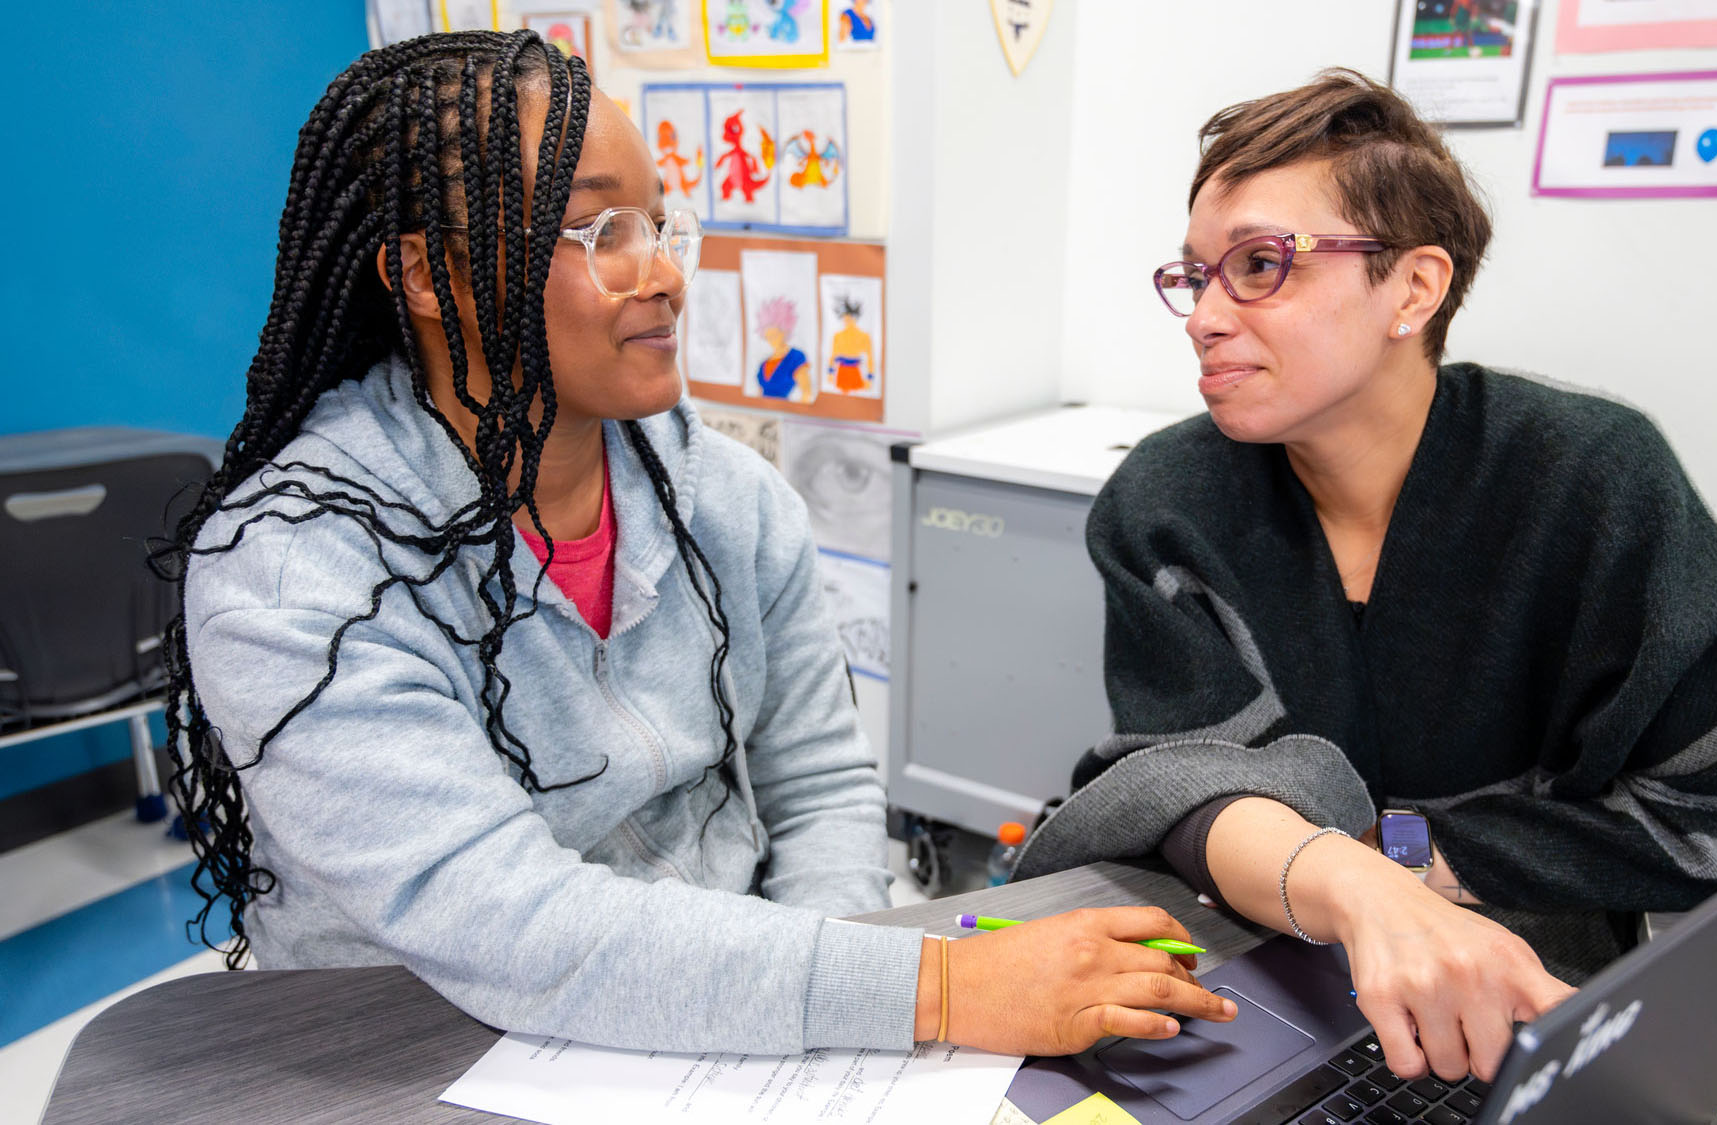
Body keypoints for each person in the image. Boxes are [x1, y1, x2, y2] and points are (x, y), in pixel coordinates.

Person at [159, 30, 1232, 1059]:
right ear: (431, 278)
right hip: (414, 1047)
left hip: (721, 1026)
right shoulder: (297, 570)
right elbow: (504, 923)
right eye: (596, 234)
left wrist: (836, 1022)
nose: (663, 273)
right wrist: (939, 989)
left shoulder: (727, 498)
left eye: (658, 226)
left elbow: (816, 786)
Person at [1011, 69, 1717, 1086]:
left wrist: (1388, 861)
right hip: (1257, 989)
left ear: (1412, 288)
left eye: (1256, 265)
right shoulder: (1166, 499)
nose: (1203, 315)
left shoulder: (1595, 483)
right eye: (1193, 275)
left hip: (1531, 1006)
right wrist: (1357, 888)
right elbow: (1181, 791)